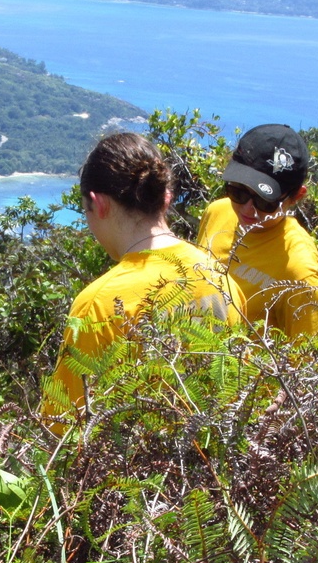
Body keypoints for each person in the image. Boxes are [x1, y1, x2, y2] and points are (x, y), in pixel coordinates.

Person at [45, 132, 246, 417]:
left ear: (98, 203)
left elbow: (64, 422)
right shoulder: (221, 279)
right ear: (166, 198)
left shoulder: (98, 305)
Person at [197, 124, 318, 340]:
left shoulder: (300, 273)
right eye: (238, 191)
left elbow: (314, 362)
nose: (247, 209)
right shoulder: (218, 212)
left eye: (264, 201)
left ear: (297, 196)